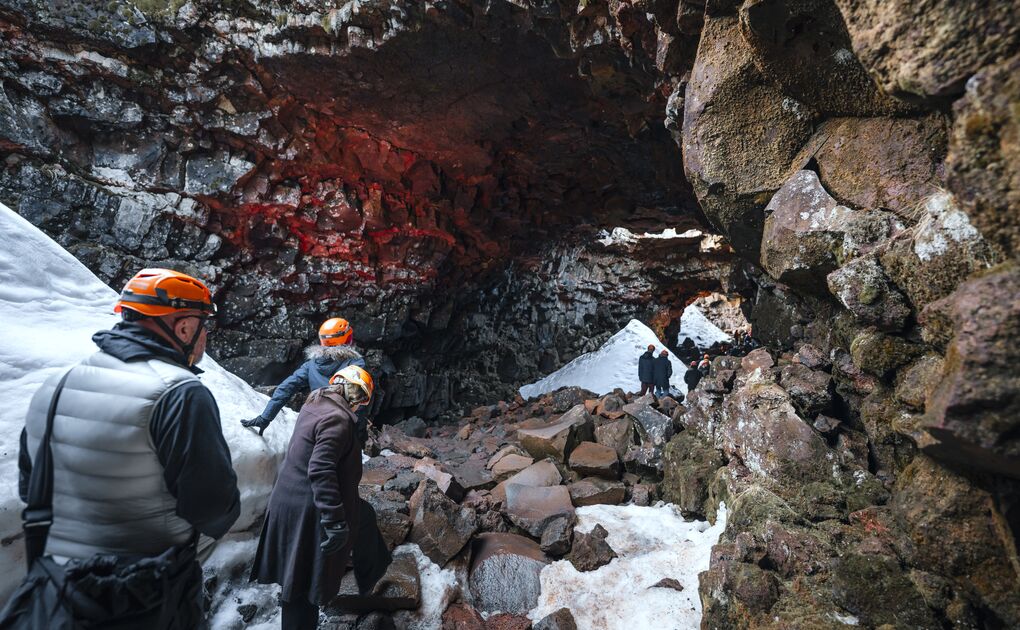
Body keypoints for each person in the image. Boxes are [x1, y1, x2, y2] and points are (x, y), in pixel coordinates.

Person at [19, 268, 240, 627]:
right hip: (146, 595)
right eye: (203, 325)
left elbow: (32, 488)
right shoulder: (180, 394)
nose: (205, 336)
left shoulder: (57, 383)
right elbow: (214, 508)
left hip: (56, 589)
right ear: (184, 328)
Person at [250, 365, 391, 630]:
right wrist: (334, 521)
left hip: (289, 501)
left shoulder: (314, 404)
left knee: (364, 515)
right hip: (310, 509)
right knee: (303, 589)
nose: (360, 406)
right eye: (360, 399)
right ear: (355, 397)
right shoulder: (337, 419)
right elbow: (321, 469)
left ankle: (369, 575)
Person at [242, 317, 367, 435]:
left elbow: (286, 387)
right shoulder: (356, 363)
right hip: (342, 425)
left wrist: (265, 417)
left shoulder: (311, 365)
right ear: (346, 339)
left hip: (313, 420)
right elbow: (357, 401)